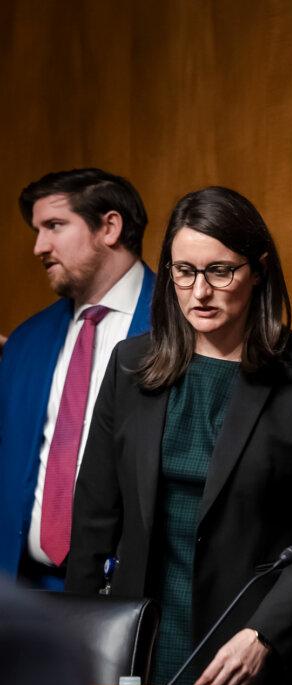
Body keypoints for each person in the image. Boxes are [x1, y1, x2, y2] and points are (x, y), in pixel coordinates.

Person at [65, 186, 292, 685]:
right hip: (139, 640)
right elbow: (95, 518)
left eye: (220, 271)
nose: (200, 291)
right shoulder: (130, 366)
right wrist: (79, 644)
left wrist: (264, 632)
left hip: (252, 650)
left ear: (259, 269)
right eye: (184, 271)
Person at [0, 168, 154, 590]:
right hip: (24, 593)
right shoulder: (24, 343)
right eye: (37, 230)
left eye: (54, 226)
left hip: (132, 595)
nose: (38, 247)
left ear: (109, 226)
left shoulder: (181, 327)